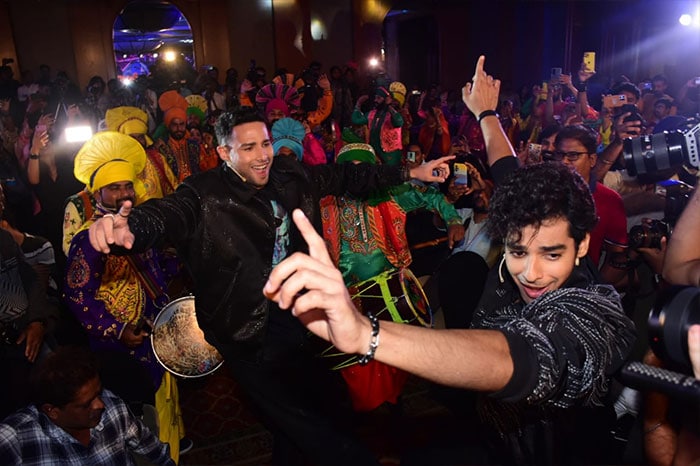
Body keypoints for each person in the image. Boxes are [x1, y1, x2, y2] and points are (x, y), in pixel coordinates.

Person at [264, 56, 636, 465]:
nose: (531, 273)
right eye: (516, 251)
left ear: (582, 245)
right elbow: (506, 167)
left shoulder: (598, 319)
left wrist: (366, 336)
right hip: (491, 430)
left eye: (551, 254)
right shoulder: (535, 216)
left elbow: (516, 357)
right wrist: (486, 114)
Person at [86, 106, 451, 465]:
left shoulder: (289, 174)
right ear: (224, 153)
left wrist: (410, 170)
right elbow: (167, 214)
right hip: (244, 326)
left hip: (298, 313)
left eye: (265, 143)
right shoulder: (202, 195)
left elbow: (346, 177)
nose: (263, 156)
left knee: (314, 408)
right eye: (249, 148)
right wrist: (131, 226)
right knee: (309, 424)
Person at [0, 346, 175, 466]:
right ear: (52, 411)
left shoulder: (113, 408)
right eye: (86, 405)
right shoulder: (15, 438)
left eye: (98, 393)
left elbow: (155, 450)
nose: (100, 404)